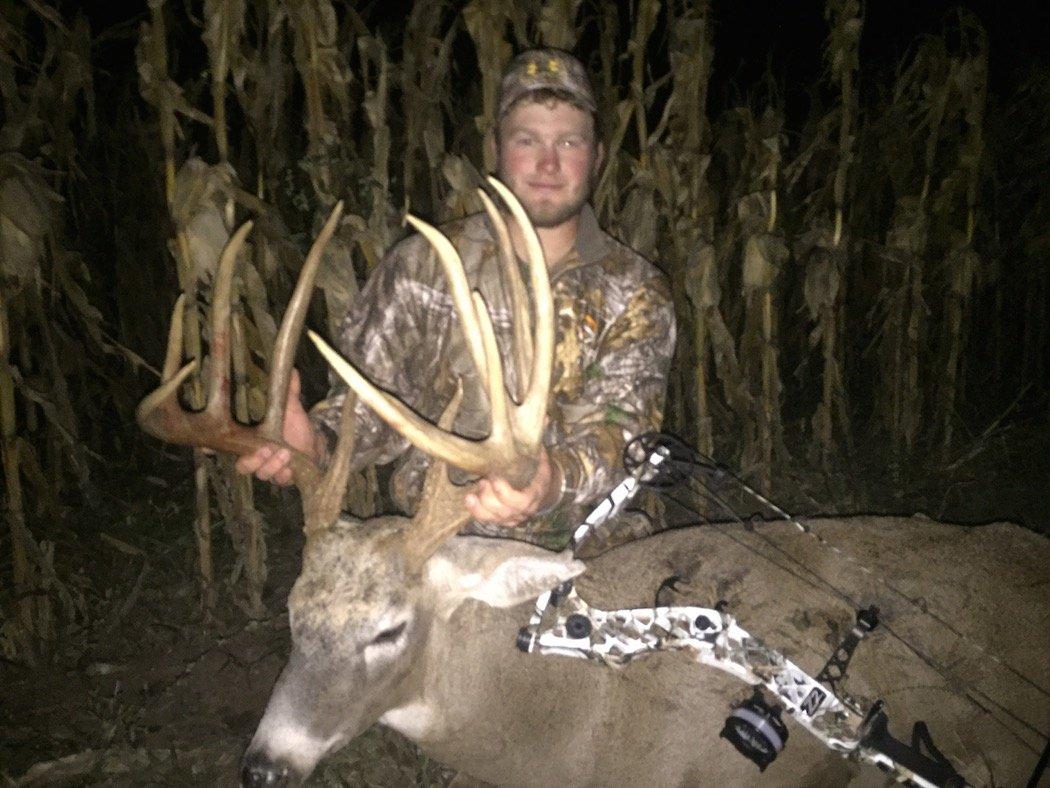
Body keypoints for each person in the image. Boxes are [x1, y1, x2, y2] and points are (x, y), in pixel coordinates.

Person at [236, 48, 675, 550]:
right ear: (494, 148)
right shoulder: (424, 266)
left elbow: (623, 436)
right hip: (439, 547)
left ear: (597, 156)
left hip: (590, 551)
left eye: (569, 141)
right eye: (526, 140)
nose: (548, 163)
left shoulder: (635, 290)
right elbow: (373, 405)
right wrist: (317, 442)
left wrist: (549, 484)